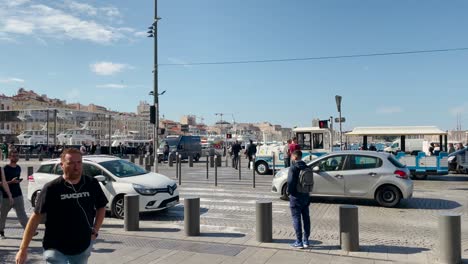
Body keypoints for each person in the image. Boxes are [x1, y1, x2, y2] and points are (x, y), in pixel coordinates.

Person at [15, 148, 108, 264]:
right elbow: (35, 218)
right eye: (71, 163)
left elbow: (101, 207)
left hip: (82, 247)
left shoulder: (91, 184)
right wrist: (23, 249)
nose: (76, 167)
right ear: (62, 165)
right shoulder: (51, 188)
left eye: (79, 162)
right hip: (55, 248)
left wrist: (95, 230)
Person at [0, 151, 33, 239]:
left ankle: (29, 231)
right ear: (9, 157)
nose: (15, 157)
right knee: (2, 216)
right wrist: (11, 182)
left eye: (17, 156)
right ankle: (1, 232)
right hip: (5, 197)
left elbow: (16, 180)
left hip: (18, 194)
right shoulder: (5, 168)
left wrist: (17, 181)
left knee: (22, 214)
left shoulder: (18, 167)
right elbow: (1, 183)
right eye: (13, 156)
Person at [287, 150, 311, 248]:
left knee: (296, 218)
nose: (291, 158)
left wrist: (290, 193)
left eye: (292, 156)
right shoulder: (307, 167)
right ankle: (306, 240)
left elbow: (290, 182)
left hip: (296, 197)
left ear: (295, 157)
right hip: (306, 195)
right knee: (306, 218)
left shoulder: (293, 168)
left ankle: (299, 241)